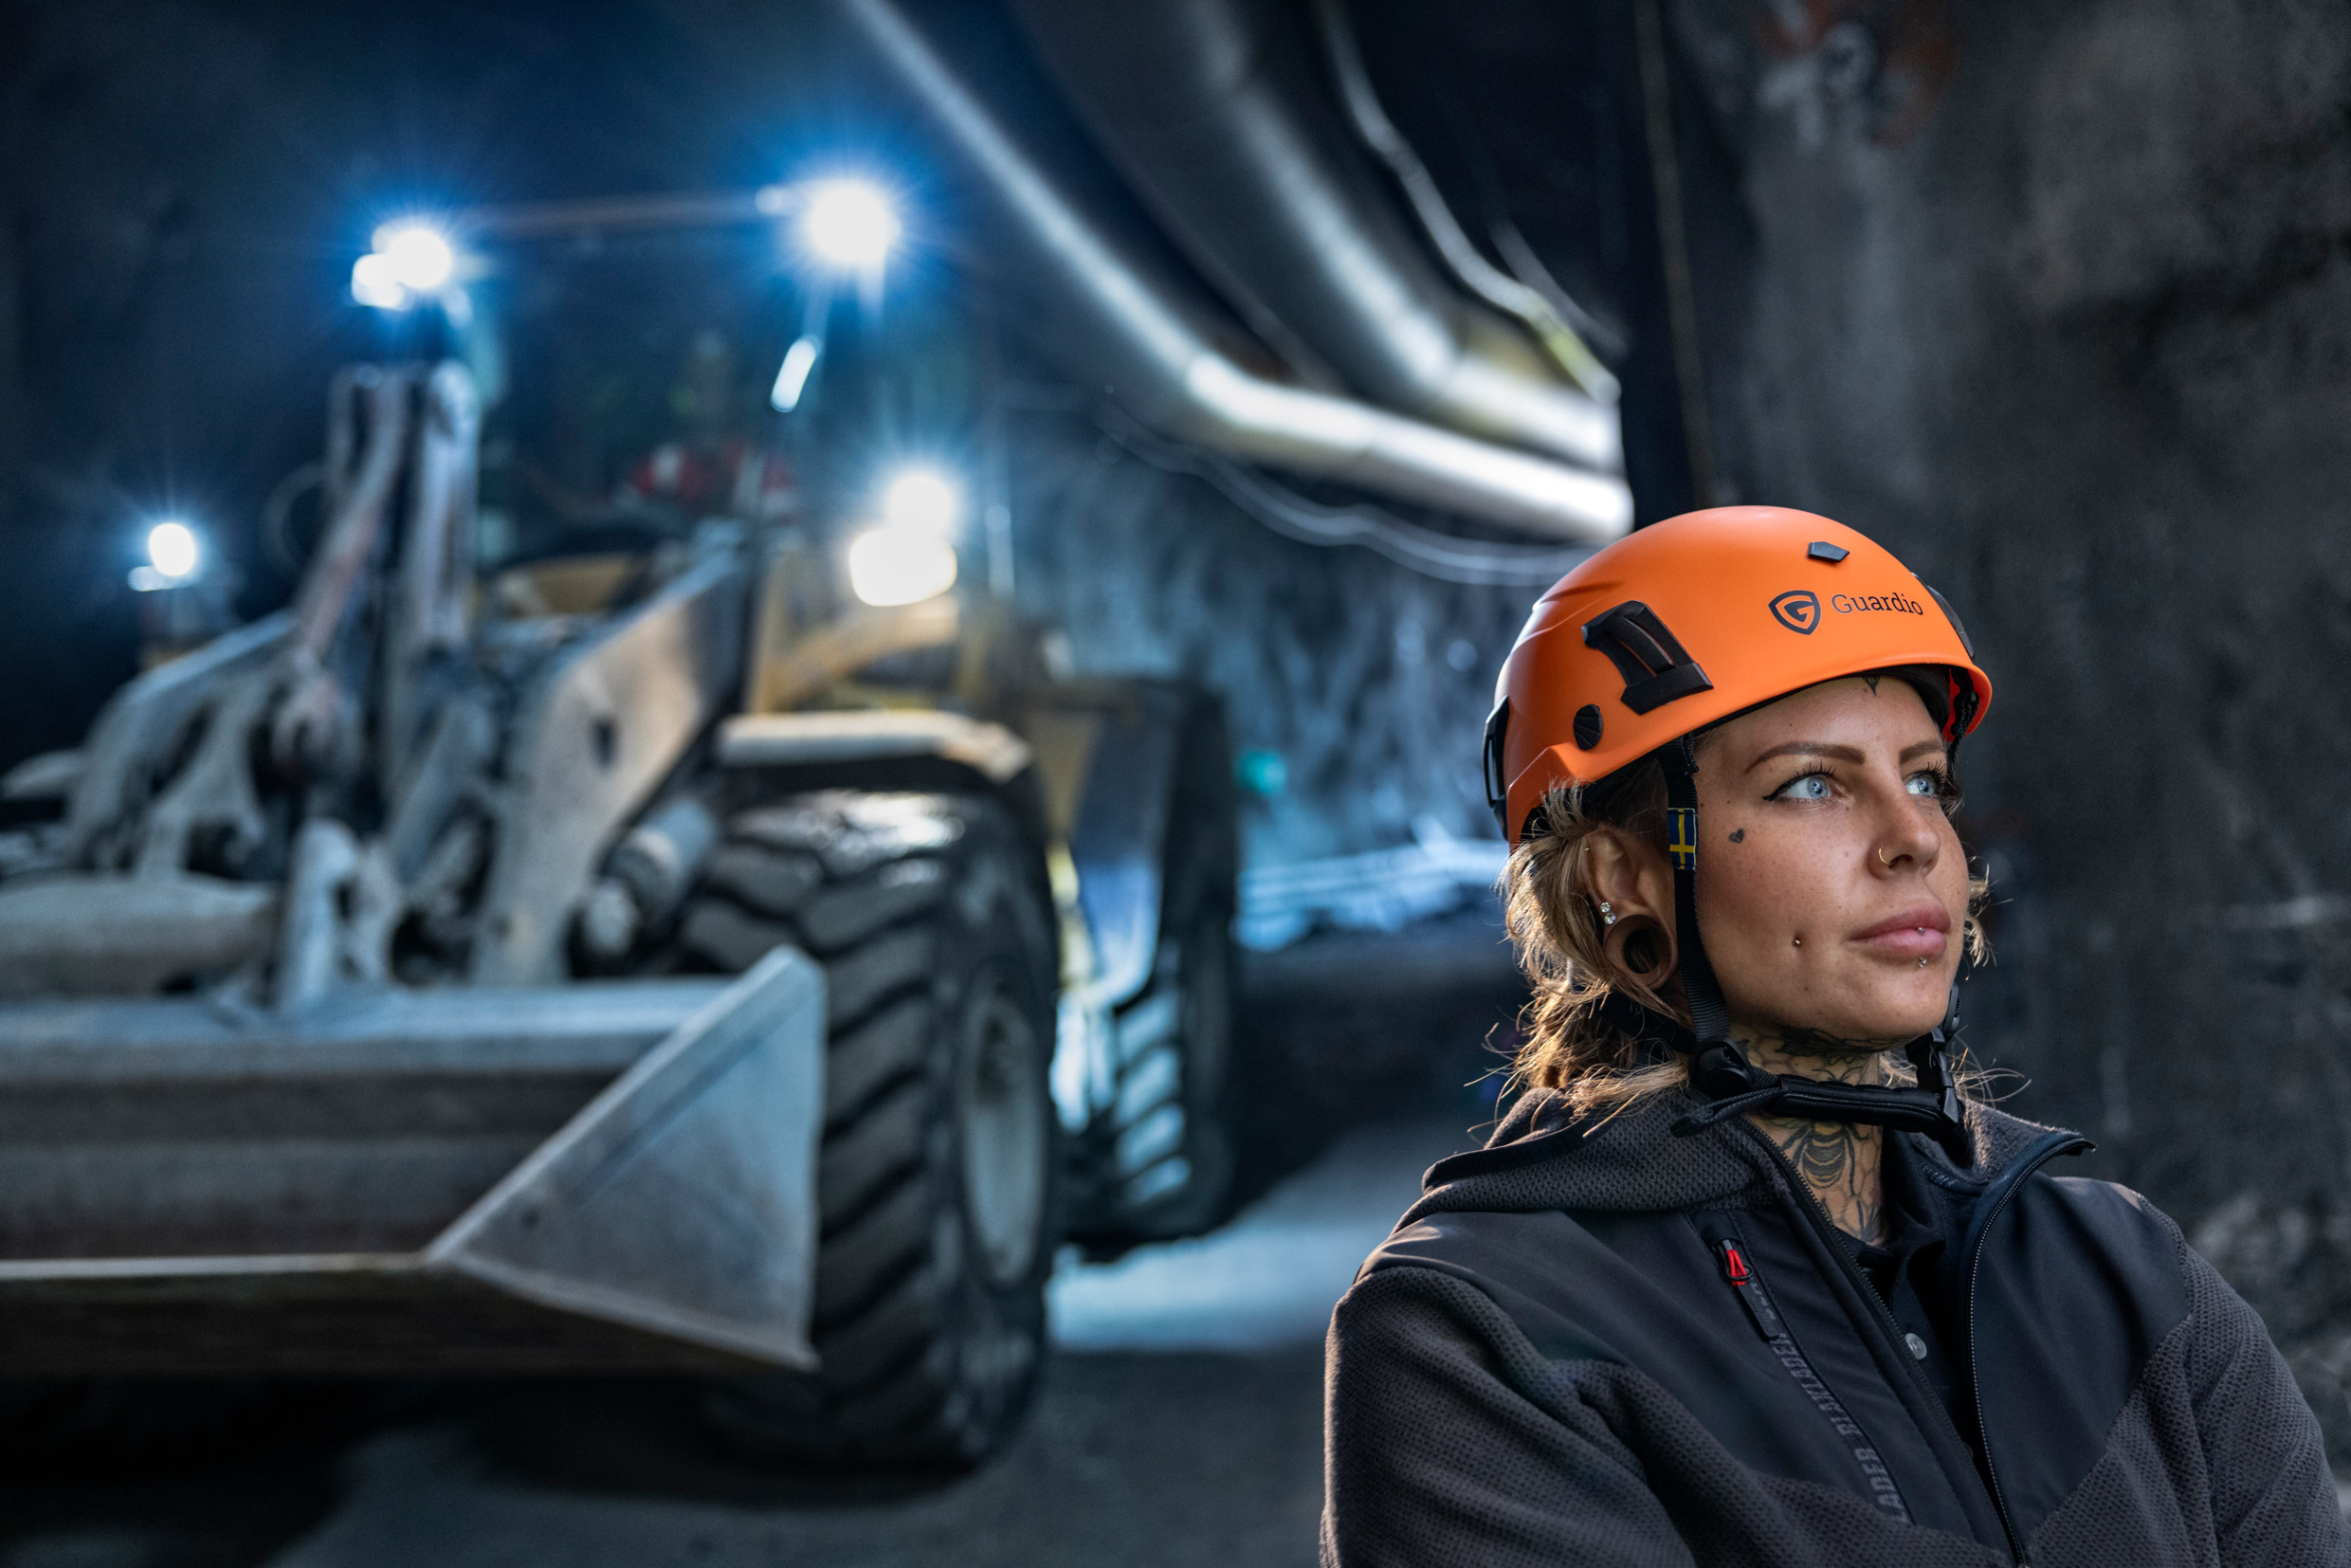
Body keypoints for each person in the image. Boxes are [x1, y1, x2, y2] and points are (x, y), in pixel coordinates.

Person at [1321, 506, 2348, 1566]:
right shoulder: (1480, 1338)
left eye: (1923, 779)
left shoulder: (2125, 1273)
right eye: (1810, 784)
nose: (1912, 839)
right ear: (1618, 875)